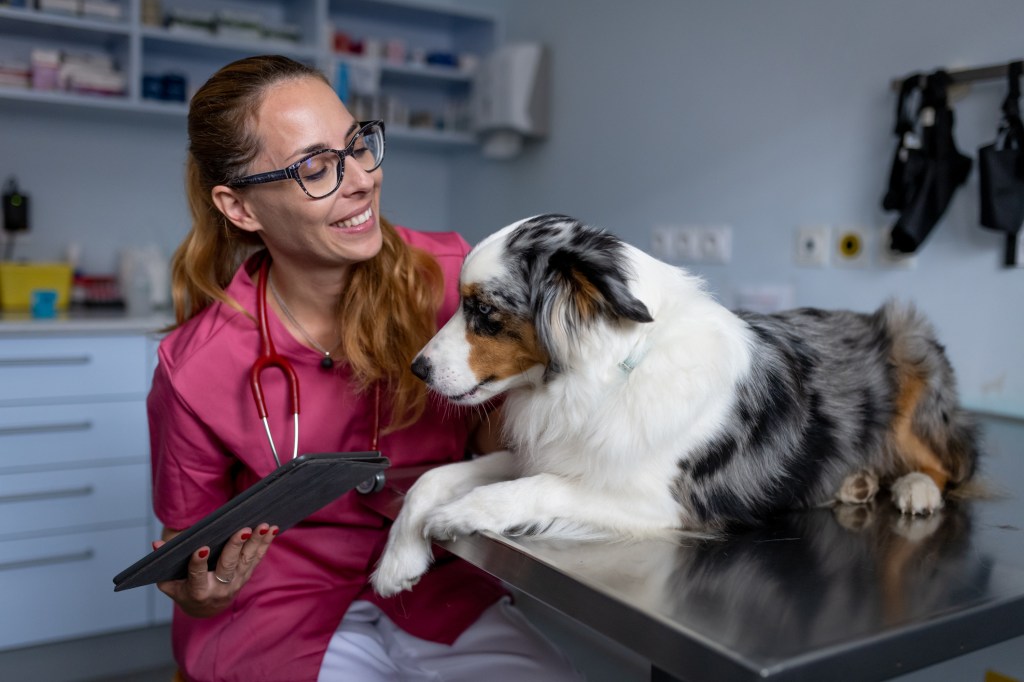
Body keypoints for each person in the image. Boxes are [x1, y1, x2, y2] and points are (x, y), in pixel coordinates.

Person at [147, 55, 580, 682]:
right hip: (280, 605)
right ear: (239, 208)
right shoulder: (197, 365)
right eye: (316, 167)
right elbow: (188, 548)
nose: (360, 180)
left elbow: (505, 441)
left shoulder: (453, 277)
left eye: (357, 146)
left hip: (433, 582)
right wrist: (198, 589)